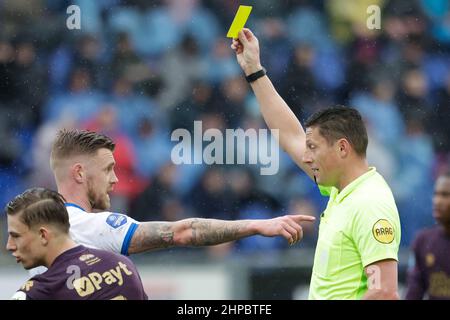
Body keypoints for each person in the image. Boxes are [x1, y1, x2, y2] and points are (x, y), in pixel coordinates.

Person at [231, 28, 401, 300]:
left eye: (313, 148)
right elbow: (288, 135)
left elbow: (384, 292)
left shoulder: (370, 204)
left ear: (342, 148)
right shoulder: (342, 189)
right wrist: (254, 70)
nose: (306, 157)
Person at [48, 129, 314, 258]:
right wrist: (255, 225)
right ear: (80, 173)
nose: (115, 179)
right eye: (107, 170)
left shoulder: (37, 227)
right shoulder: (93, 226)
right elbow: (183, 232)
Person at [6, 188, 147, 300]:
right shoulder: (123, 265)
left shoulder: (40, 291)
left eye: (15, 236)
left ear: (43, 235)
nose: (9, 245)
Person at [405, 171, 450, 300]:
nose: (437, 201)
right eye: (436, 194)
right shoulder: (423, 242)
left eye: (445, 195)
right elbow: (413, 292)